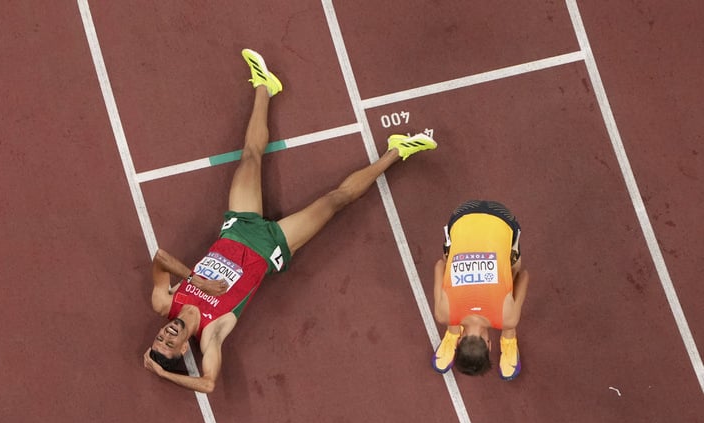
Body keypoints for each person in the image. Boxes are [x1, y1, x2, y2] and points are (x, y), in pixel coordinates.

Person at [143, 48, 437, 393]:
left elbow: (161, 258)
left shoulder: (165, 302)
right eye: (168, 344)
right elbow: (208, 384)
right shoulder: (212, 333)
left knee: (250, 155)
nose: (166, 334)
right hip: (272, 247)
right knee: (334, 200)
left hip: (237, 228)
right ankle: (397, 150)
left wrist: (198, 281)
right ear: (180, 350)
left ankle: (265, 86)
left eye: (159, 337)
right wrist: (161, 373)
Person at [430, 200, 530, 380]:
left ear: (489, 345)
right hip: (461, 213)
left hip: (504, 217)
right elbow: (439, 266)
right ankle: (456, 330)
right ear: (460, 342)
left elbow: (524, 276)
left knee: (512, 274)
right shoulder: (442, 314)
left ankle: (508, 337)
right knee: (449, 264)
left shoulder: (509, 318)